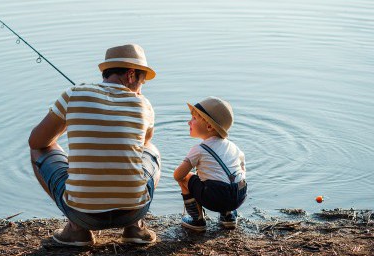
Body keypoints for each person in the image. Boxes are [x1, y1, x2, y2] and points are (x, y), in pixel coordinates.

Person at [28, 44, 161, 246]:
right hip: (133, 211)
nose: (141, 88)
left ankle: (76, 229)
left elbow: (36, 142)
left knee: (39, 149)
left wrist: (70, 122)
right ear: (131, 75)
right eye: (142, 81)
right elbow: (144, 143)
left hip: (83, 214)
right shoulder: (144, 105)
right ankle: (135, 227)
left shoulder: (73, 94)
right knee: (152, 151)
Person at [173, 97, 248, 231]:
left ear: (209, 126)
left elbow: (178, 175)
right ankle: (228, 216)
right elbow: (242, 169)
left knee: (186, 178)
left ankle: (197, 220)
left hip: (216, 197)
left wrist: (191, 176)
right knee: (228, 178)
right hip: (239, 195)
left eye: (194, 119)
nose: (188, 122)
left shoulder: (198, 149)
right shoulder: (233, 147)